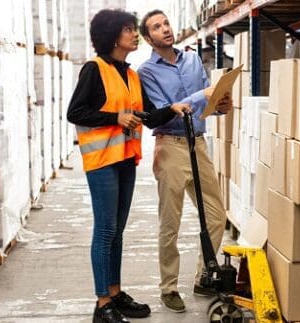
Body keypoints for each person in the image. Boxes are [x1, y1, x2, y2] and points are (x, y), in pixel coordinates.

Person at [67, 9, 190, 323]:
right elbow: (76, 112)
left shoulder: (131, 74)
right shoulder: (94, 70)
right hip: (102, 161)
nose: (135, 34)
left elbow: (146, 115)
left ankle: (116, 292)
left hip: (125, 160)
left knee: (118, 232)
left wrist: (172, 109)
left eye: (135, 30)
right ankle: (102, 303)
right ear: (112, 35)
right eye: (128, 30)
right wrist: (115, 118)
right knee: (105, 230)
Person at [138, 9, 233, 313]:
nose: (165, 29)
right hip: (170, 146)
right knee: (171, 223)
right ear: (148, 38)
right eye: (156, 27)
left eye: (166, 23)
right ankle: (168, 287)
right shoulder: (146, 72)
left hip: (198, 144)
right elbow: (162, 111)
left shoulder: (192, 59)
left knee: (217, 214)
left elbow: (208, 100)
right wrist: (200, 96)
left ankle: (202, 276)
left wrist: (220, 105)